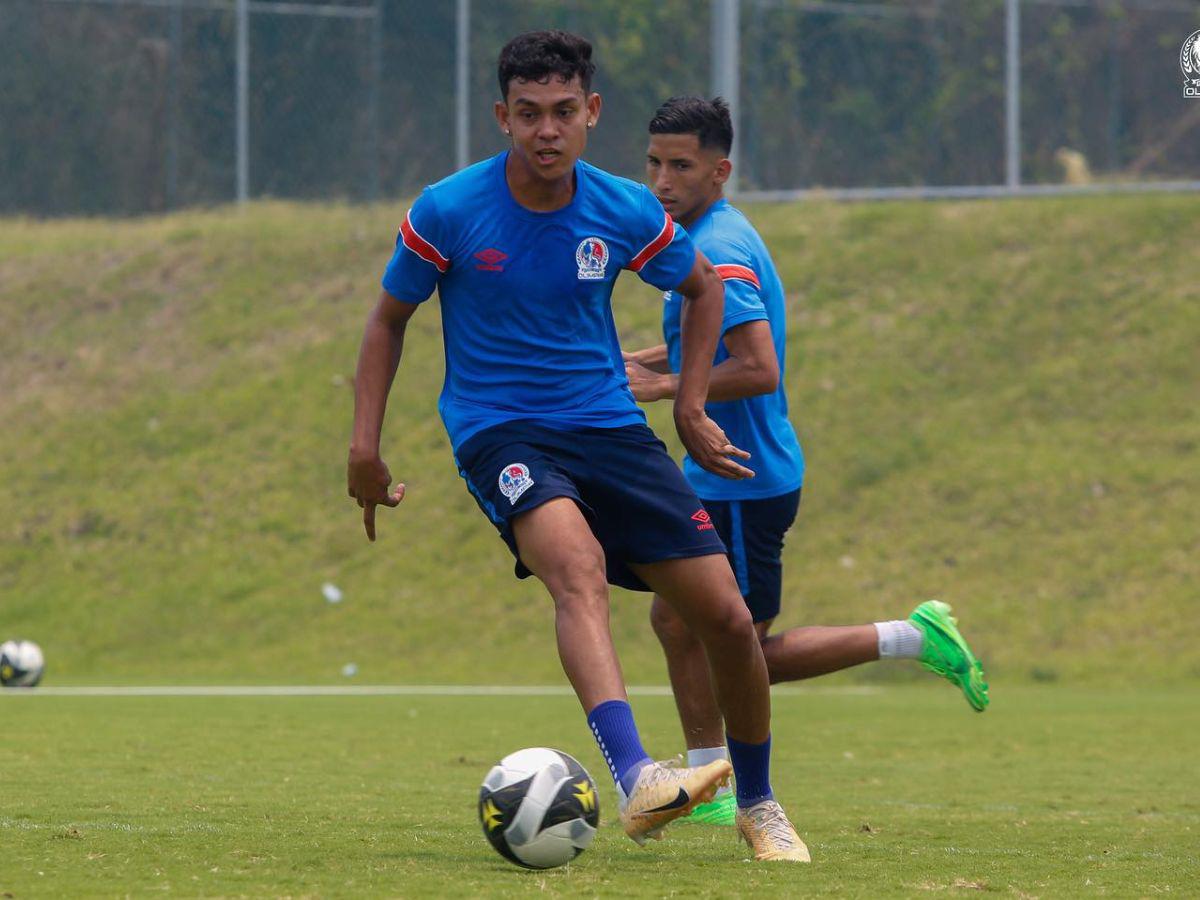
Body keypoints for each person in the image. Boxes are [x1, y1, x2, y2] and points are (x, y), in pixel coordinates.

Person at [346, 33, 809, 861]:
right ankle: (637, 776)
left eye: (564, 112)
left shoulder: (623, 208)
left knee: (730, 622)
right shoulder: (447, 209)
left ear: (591, 113)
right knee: (577, 571)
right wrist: (364, 448)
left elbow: (702, 291)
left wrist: (692, 403)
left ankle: (760, 803)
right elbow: (388, 321)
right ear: (503, 117)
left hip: (609, 427)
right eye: (528, 114)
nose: (546, 131)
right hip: (503, 433)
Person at [623, 96, 990, 827]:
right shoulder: (694, 236)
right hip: (716, 472)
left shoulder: (721, 249)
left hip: (742, 475)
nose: (662, 181)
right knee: (674, 620)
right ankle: (707, 780)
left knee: (742, 649)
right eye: (654, 163)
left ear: (720, 170)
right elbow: (712, 340)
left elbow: (758, 366)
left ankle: (912, 637)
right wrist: (641, 359)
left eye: (681, 166)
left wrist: (664, 387)